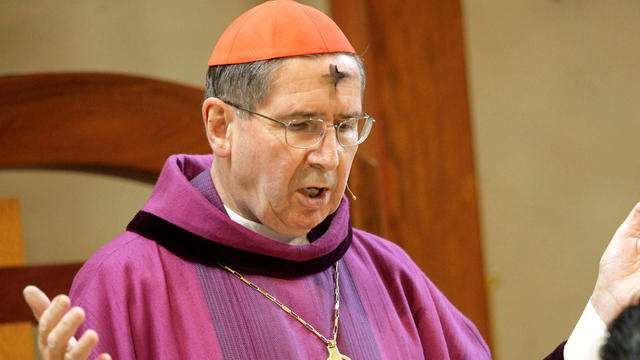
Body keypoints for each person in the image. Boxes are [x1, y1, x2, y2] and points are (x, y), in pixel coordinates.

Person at [22, 1, 640, 359]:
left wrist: (601, 311)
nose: (328, 156)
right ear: (220, 126)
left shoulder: (388, 273)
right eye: (300, 125)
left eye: (346, 127)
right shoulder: (127, 283)